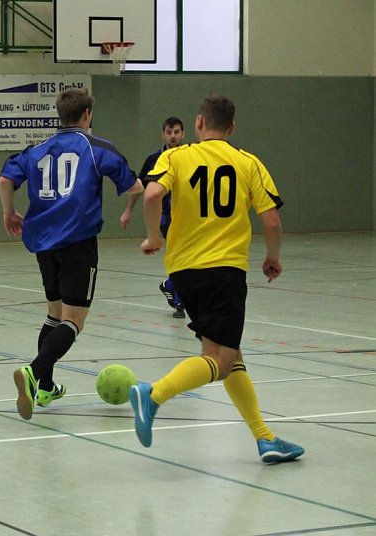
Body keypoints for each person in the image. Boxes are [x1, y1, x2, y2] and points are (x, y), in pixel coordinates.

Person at [130, 94, 305, 463]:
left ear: (197, 124)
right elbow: (271, 219)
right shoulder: (248, 163)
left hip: (181, 270)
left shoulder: (175, 156)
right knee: (219, 360)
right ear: (232, 127)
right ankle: (153, 394)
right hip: (224, 270)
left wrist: (153, 237)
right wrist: (273, 257)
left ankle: (265, 438)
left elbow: (152, 194)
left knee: (231, 355)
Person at [0, 87, 144, 420]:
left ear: (59, 115)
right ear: (88, 114)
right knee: (73, 320)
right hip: (78, 242)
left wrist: (9, 213)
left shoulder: (36, 150)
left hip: (43, 243)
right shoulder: (96, 148)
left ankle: (45, 386)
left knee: (53, 313)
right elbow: (134, 186)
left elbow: (6, 179)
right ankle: (35, 370)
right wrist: (133, 203)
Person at [120, 117, 186, 318]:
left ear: (183, 134)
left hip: (187, 216)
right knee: (180, 255)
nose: (173, 136)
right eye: (169, 132)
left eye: (176, 132)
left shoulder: (191, 156)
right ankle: (179, 303)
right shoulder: (154, 160)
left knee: (186, 257)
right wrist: (128, 210)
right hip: (165, 216)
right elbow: (139, 187)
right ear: (163, 134)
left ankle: (170, 285)